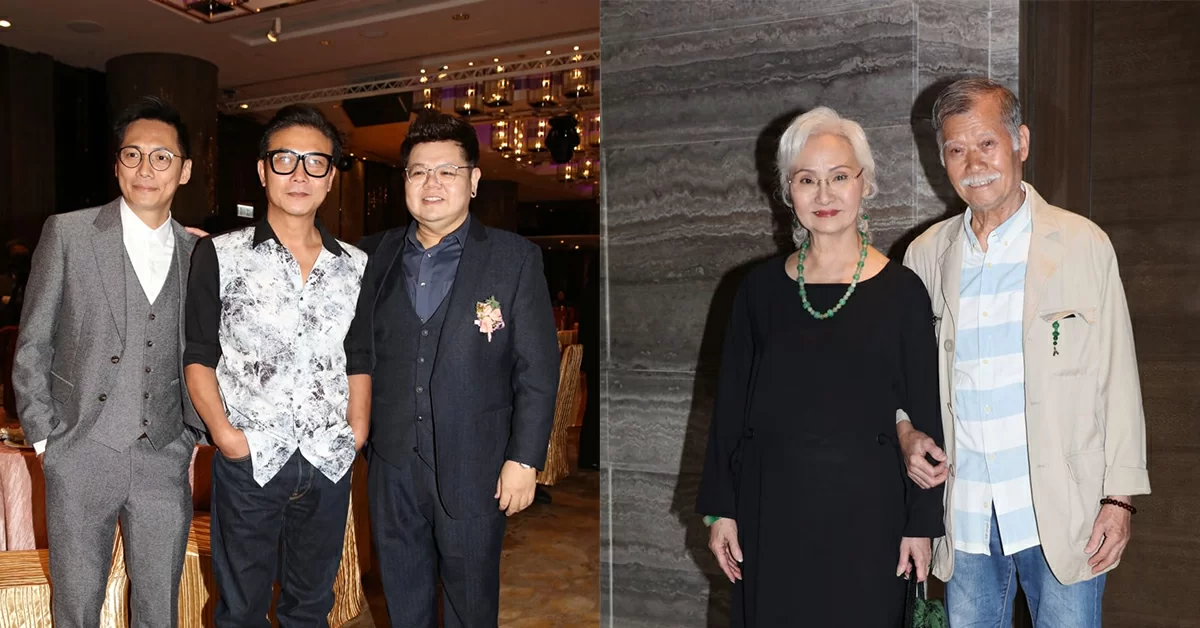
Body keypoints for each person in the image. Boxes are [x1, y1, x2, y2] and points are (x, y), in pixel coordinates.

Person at [897, 77, 1150, 627]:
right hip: (965, 511)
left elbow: (1118, 377)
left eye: (987, 143)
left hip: (1062, 509)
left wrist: (1120, 498)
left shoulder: (1082, 244)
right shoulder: (924, 257)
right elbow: (901, 377)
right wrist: (905, 431)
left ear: (1021, 143)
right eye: (956, 150)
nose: (974, 164)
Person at [696, 106, 945, 627]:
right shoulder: (757, 291)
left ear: (865, 184)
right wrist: (721, 509)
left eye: (839, 177)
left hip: (870, 522)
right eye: (807, 179)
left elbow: (926, 419)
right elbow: (730, 413)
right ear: (788, 191)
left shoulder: (903, 292)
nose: (824, 194)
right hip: (771, 515)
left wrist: (921, 523)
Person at [350, 110, 560, 627]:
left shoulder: (514, 258)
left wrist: (524, 459)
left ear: (474, 180)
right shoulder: (368, 256)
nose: (432, 184)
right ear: (405, 181)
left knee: (471, 606)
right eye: (419, 172)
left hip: (477, 467)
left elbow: (536, 368)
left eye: (447, 171)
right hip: (392, 465)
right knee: (404, 604)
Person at [12, 96, 206, 627]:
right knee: (76, 608)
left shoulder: (199, 255)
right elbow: (33, 343)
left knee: (159, 610)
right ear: (117, 164)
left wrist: (191, 432)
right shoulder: (68, 233)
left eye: (162, 157)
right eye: (132, 155)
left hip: (164, 453)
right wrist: (47, 438)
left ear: (185, 170)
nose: (146, 169)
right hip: (80, 450)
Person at [182, 104, 370, 626]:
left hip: (328, 457)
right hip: (251, 459)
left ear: (330, 177)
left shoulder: (355, 265)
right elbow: (198, 355)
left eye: (315, 162)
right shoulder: (220, 255)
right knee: (240, 610)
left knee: (310, 607)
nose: (300, 174)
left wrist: (356, 431)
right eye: (285, 159)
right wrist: (226, 436)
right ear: (264, 171)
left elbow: (359, 356)